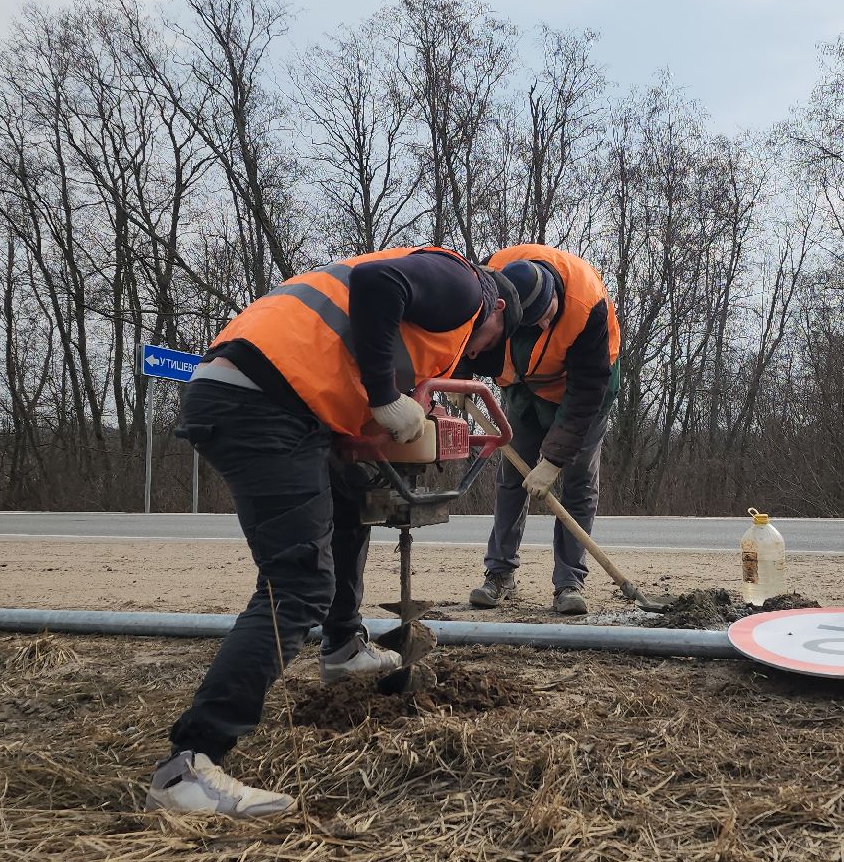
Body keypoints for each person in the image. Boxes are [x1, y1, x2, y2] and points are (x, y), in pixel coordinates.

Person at [146, 246, 515, 817]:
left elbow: (352, 350)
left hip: (272, 398)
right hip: (261, 404)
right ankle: (189, 764)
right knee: (297, 584)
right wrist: (386, 396)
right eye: (489, 343)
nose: (475, 354)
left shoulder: (409, 314)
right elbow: (377, 283)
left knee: (350, 505)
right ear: (499, 312)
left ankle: (343, 645)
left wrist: (386, 409)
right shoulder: (465, 286)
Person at [464, 244, 621, 616]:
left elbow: (587, 391)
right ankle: (500, 574)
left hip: (584, 393)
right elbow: (460, 333)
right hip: (523, 389)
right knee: (512, 477)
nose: (546, 325)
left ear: (555, 293)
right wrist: (458, 377)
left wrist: (553, 460)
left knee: (578, 484)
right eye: (535, 322)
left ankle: (569, 582)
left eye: (549, 315)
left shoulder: (587, 305)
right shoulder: (482, 284)